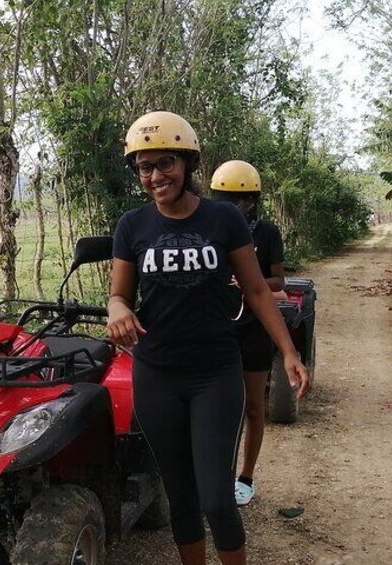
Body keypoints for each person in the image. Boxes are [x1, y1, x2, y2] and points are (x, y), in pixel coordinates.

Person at [107, 111, 311, 565]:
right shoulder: (132, 226)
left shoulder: (223, 220)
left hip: (215, 373)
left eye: (165, 163)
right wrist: (118, 311)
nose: (155, 176)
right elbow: (119, 296)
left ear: (187, 163)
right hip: (156, 375)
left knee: (217, 499)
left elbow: (258, 289)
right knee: (181, 498)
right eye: (145, 167)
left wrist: (289, 351)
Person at [210, 160, 285, 507]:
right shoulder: (207, 229)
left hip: (252, 330)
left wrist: (249, 282)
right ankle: (215, 475)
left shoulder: (266, 233)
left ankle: (246, 477)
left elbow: (277, 282)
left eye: (235, 201)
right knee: (219, 409)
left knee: (253, 407)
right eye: (220, 198)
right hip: (217, 329)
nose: (227, 206)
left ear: (251, 202)